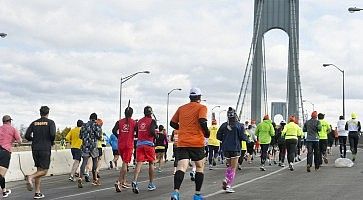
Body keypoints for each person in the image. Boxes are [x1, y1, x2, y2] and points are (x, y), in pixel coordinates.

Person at [169, 87, 210, 200]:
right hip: (196, 142)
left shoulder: (181, 108)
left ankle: (176, 193)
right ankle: (197, 194)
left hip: (183, 143)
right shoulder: (202, 107)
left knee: (181, 167)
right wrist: (206, 132)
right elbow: (202, 121)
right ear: (199, 98)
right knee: (199, 167)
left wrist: (181, 128)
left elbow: (172, 123)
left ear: (190, 97)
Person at [24, 106, 56, 199]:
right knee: (44, 171)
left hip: (35, 148)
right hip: (45, 148)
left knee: (39, 170)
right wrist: (51, 141)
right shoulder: (50, 122)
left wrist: (34, 139)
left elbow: (27, 135)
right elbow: (53, 134)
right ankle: (30, 177)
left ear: (40, 113)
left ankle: (37, 192)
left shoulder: (34, 123)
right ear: (48, 113)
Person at [217, 107, 247, 193]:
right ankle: (228, 183)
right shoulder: (240, 125)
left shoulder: (223, 125)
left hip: (226, 148)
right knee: (234, 167)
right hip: (235, 148)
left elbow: (218, 137)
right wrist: (248, 140)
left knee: (230, 166)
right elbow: (242, 137)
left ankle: (227, 179)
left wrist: (225, 137)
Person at [132, 106, 158, 194]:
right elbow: (152, 130)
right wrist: (156, 136)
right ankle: (151, 183)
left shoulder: (139, 121)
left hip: (139, 145)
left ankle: (135, 181)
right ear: (151, 113)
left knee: (139, 163)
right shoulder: (152, 121)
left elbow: (136, 131)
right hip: (149, 145)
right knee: (151, 163)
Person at [113, 106, 137, 192]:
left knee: (125, 163)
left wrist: (119, 136)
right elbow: (137, 133)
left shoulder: (119, 122)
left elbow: (113, 131)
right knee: (125, 163)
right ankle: (118, 181)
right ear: (132, 114)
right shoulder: (134, 122)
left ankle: (124, 181)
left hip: (120, 144)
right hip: (128, 145)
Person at [77, 113, 102, 188]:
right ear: (96, 119)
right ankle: (95, 179)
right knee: (95, 162)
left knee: (84, 162)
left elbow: (80, 136)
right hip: (93, 146)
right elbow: (99, 136)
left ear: (89, 118)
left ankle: (80, 178)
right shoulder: (96, 125)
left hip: (85, 146)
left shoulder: (84, 125)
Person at [0, 115, 22, 198]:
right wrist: (13, 140)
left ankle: (4, 191)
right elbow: (20, 141)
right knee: (1, 175)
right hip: (5, 152)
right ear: (10, 121)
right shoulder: (13, 129)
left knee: (1, 175)